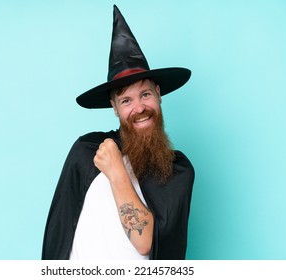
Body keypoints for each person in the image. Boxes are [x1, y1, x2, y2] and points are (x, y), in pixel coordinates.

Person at [42, 5, 194, 260]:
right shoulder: (87, 151)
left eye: (145, 95)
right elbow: (57, 236)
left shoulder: (177, 170)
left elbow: (146, 243)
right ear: (114, 108)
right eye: (126, 101)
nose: (139, 108)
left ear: (158, 94)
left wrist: (116, 171)